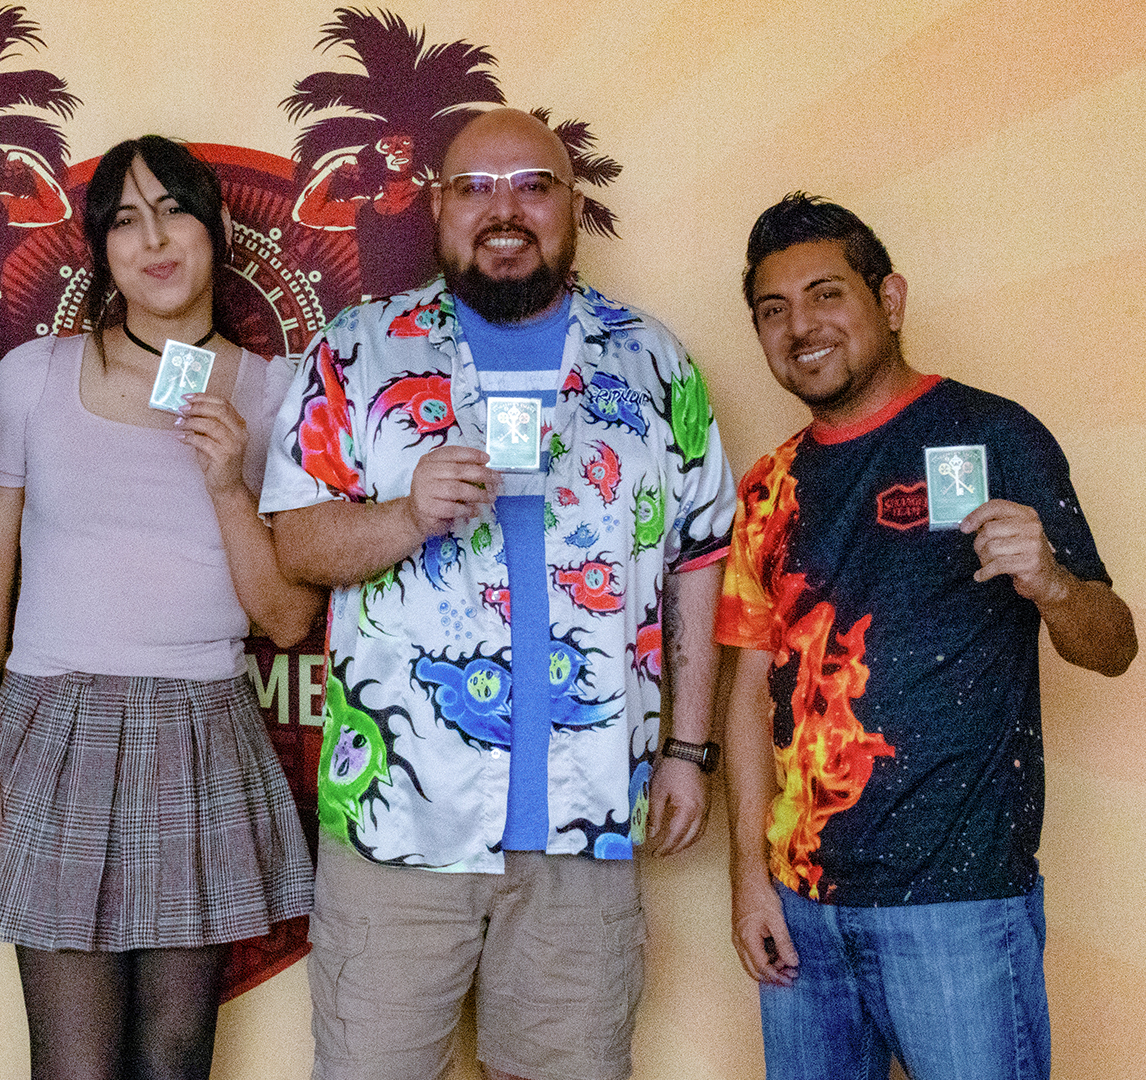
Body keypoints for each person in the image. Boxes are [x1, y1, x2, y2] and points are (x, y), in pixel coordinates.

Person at [261, 107, 736, 1080]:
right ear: (438, 208)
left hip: (587, 826)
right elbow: (297, 541)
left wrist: (689, 752)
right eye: (475, 188)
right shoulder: (358, 351)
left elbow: (698, 559)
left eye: (533, 185)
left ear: (571, 206)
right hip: (398, 818)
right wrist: (407, 514)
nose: (503, 209)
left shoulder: (654, 362)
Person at [717, 193, 1137, 1080]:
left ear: (890, 300)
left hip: (958, 907)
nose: (801, 326)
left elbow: (1113, 646)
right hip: (800, 912)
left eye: (826, 294)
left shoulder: (994, 434)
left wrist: (1053, 583)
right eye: (773, 310)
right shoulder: (768, 488)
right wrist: (749, 878)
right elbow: (749, 692)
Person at [0, 135, 318, 1080]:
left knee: (175, 1056)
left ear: (218, 227)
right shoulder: (34, 376)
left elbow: (287, 622)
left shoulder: (275, 393)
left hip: (201, 724)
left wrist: (229, 483)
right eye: (124, 220)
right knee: (73, 1064)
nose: (153, 239)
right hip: (55, 720)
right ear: (101, 249)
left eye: (174, 211)